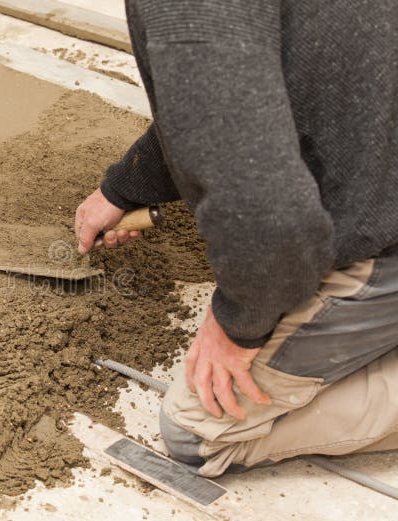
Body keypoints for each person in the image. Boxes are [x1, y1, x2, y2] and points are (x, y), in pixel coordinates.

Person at [74, 0, 398, 477]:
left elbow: (275, 217)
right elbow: (235, 96)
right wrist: (125, 186)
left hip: (384, 236)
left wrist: (238, 326)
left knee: (199, 431)